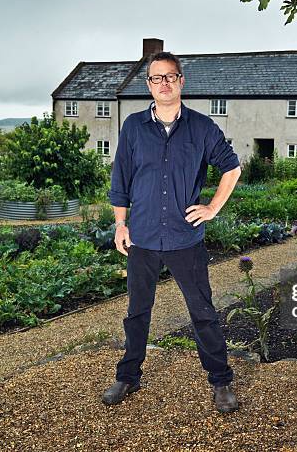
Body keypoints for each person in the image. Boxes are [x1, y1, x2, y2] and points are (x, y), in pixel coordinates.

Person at [102, 51, 242, 413]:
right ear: (148, 85)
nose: (163, 83)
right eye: (155, 78)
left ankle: (221, 381)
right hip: (143, 238)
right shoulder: (133, 126)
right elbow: (121, 179)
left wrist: (212, 207)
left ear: (181, 81)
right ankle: (128, 376)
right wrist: (120, 223)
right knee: (137, 313)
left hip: (185, 238)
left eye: (170, 77)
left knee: (203, 312)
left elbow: (232, 168)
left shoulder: (201, 127)